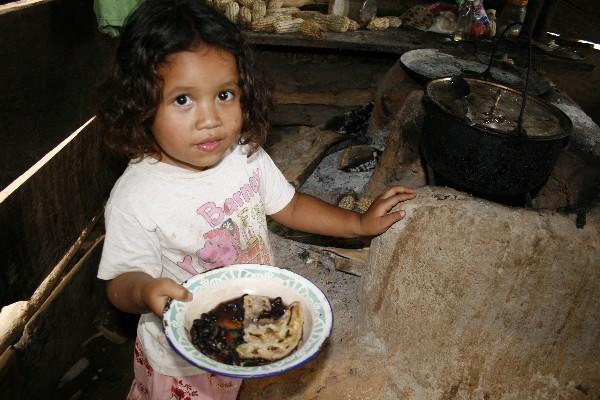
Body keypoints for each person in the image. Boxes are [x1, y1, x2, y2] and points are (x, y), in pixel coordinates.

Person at [95, 0, 416, 399]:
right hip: (180, 362)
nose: (209, 118)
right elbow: (119, 282)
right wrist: (144, 291)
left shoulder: (244, 156)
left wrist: (359, 224)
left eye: (225, 94)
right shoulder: (137, 196)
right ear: (140, 103)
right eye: (183, 100)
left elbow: (292, 206)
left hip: (242, 326)